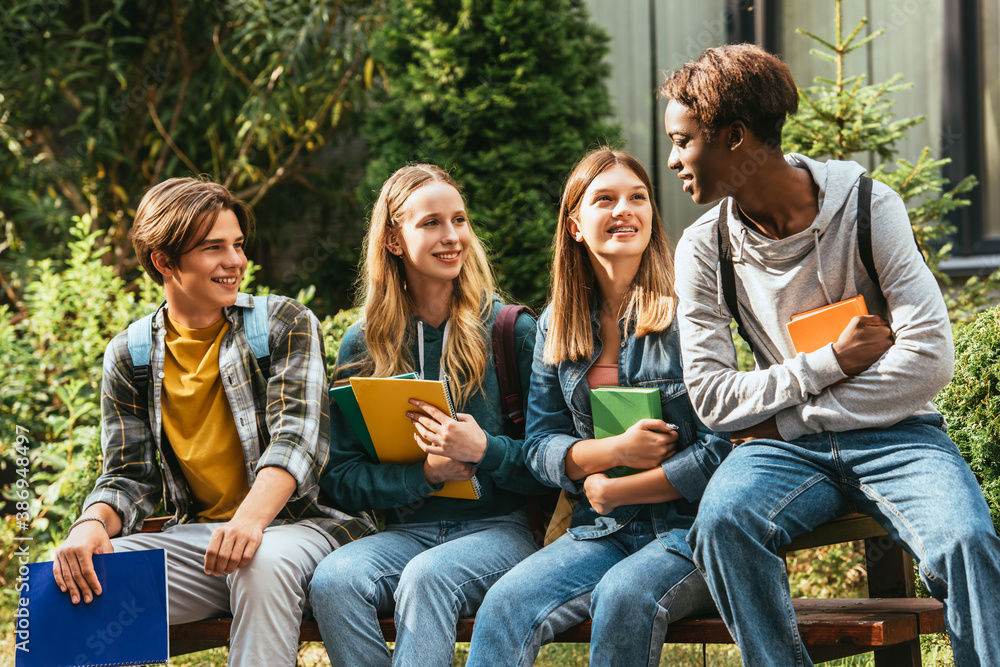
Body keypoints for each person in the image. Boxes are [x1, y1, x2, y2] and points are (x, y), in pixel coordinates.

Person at [661, 44, 1000, 667]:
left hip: (898, 435)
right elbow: (710, 396)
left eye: (684, 141)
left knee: (966, 541)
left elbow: (929, 360)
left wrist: (787, 415)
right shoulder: (702, 248)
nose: (675, 160)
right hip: (782, 455)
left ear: (735, 137)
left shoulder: (871, 206)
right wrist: (830, 364)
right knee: (723, 526)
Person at [52, 177, 372, 666]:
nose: (235, 262)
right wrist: (90, 525)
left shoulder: (285, 323)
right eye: (213, 248)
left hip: (303, 530)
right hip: (204, 542)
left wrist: (248, 523)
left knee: (259, 562)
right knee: (76, 584)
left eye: (238, 245)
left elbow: (297, 441)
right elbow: (127, 477)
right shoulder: (130, 355)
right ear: (164, 261)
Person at [465, 149, 732, 667]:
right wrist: (609, 451)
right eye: (604, 199)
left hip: (688, 531)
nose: (624, 210)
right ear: (575, 225)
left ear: (653, 217)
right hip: (601, 530)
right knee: (504, 602)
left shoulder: (688, 313)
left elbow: (722, 450)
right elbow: (539, 447)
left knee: (625, 597)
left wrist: (618, 487)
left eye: (638, 198)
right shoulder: (556, 325)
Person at [308, 164, 547, 667]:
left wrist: (486, 450)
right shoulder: (364, 344)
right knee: (334, 581)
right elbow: (341, 480)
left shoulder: (511, 330)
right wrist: (424, 476)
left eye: (459, 220)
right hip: (404, 534)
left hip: (501, 531)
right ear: (394, 240)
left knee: (429, 576)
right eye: (431, 223)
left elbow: (552, 466)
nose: (452, 237)